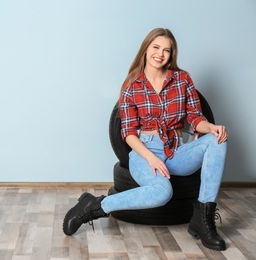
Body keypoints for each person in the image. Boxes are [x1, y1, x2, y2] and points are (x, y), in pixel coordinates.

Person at [62, 28, 228, 251]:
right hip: (145, 150)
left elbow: (195, 118)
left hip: (177, 151)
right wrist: (151, 158)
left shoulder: (182, 79)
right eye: (156, 47)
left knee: (218, 141)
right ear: (146, 49)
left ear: (172, 54)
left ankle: (203, 220)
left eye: (166, 50)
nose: (160, 54)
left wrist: (212, 128)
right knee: (162, 191)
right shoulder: (132, 85)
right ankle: (94, 206)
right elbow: (129, 133)